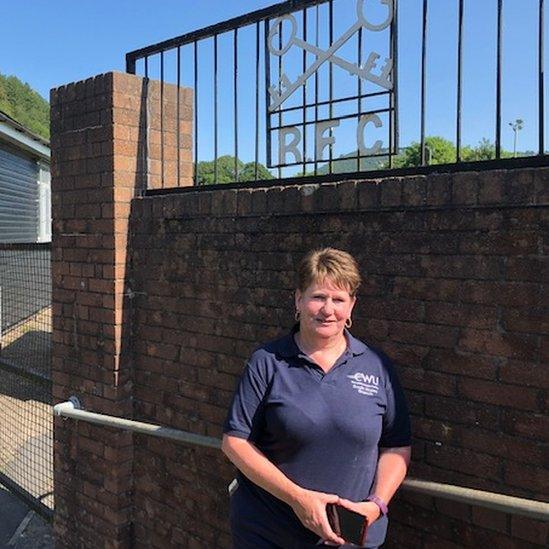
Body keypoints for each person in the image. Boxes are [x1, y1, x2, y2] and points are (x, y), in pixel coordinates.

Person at [222, 248, 411, 548]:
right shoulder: (268, 361)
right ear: (298, 300)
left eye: (339, 300)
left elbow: (396, 446)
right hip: (270, 532)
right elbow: (235, 442)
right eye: (318, 297)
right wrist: (298, 499)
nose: (328, 309)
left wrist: (376, 505)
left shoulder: (376, 366)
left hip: (349, 539)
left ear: (351, 307)